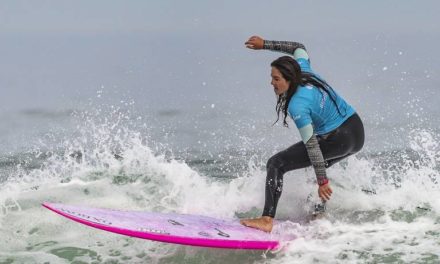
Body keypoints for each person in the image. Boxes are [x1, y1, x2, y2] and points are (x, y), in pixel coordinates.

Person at [240, 36, 365, 232]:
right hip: (356, 131)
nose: (271, 83)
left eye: (276, 79)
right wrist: (265, 45)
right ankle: (318, 214)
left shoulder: (298, 105)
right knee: (314, 167)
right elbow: (299, 48)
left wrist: (323, 182)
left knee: (276, 163)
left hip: (338, 137)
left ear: (289, 79)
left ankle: (266, 220)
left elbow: (312, 144)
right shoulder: (304, 70)